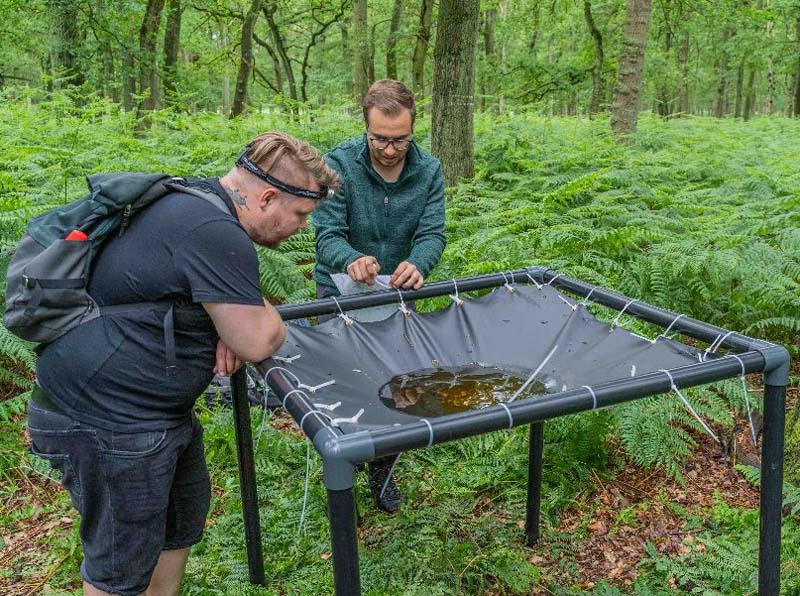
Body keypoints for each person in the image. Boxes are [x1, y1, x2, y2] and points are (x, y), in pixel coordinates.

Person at [26, 132, 339, 596]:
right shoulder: (212, 230)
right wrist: (254, 314)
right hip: (108, 420)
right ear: (269, 196)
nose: (302, 228)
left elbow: (185, 301)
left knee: (177, 528)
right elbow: (255, 339)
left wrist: (224, 321)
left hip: (150, 413)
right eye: (300, 215)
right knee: (119, 567)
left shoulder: (190, 203)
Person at [313, 79, 447, 512]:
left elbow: (432, 233)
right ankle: (342, 463)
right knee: (343, 375)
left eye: (400, 141)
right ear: (365, 126)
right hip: (340, 290)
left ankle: (384, 469)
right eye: (379, 140)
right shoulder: (337, 164)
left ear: (413, 129)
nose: (389, 150)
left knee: (398, 383)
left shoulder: (429, 170)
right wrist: (350, 258)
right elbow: (327, 235)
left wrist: (420, 263)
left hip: (399, 292)